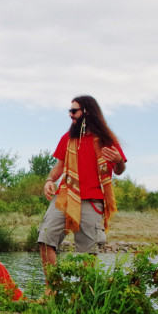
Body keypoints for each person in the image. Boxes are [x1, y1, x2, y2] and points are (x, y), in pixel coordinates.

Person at [38, 95, 127, 272]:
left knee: (87, 252)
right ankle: (54, 288)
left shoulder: (106, 139)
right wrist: (49, 180)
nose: (70, 114)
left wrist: (119, 161)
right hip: (64, 197)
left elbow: (118, 170)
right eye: (69, 111)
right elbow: (60, 165)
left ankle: (85, 293)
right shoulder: (68, 138)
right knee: (45, 238)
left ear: (87, 111)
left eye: (74, 111)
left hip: (92, 200)